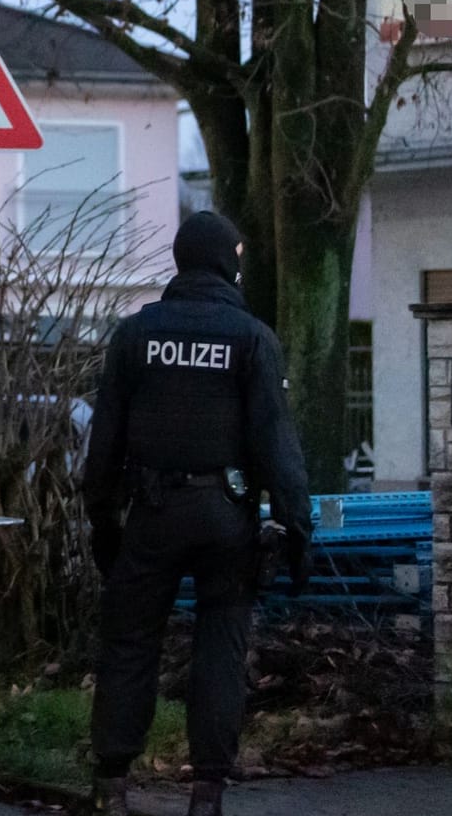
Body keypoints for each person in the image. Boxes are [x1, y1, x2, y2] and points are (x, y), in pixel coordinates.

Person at [81, 211, 312, 816]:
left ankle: (111, 786)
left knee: (130, 644)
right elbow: (275, 442)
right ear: (225, 261)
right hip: (226, 517)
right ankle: (206, 792)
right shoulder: (251, 338)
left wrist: (102, 521)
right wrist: (295, 526)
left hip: (151, 515)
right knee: (220, 648)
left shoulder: (135, 335)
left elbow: (103, 443)